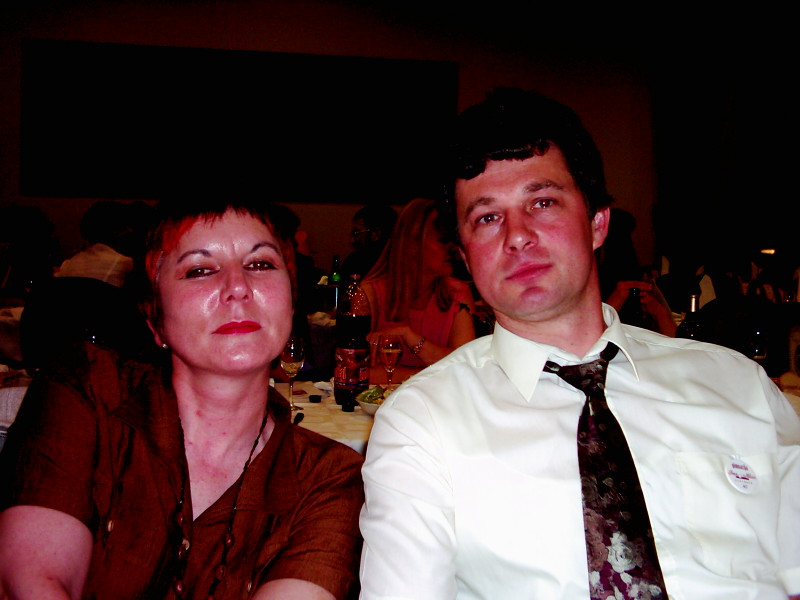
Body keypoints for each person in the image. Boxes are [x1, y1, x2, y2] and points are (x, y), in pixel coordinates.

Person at [359, 87, 800, 599]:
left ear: (597, 222)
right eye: (487, 217)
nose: (517, 235)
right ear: (464, 254)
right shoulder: (422, 423)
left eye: (542, 202)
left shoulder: (737, 385)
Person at [0, 195, 364, 600]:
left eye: (260, 264)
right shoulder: (88, 391)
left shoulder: (330, 477)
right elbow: (33, 582)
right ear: (154, 318)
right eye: (199, 270)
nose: (238, 287)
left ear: (291, 302)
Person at [361, 197, 475, 370]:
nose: (454, 249)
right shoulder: (370, 294)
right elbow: (354, 370)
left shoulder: (457, 294)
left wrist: (410, 337)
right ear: (414, 244)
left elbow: (467, 366)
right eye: (443, 240)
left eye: (456, 241)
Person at [341, 204, 398, 281]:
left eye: (356, 233)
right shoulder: (402, 263)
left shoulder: (356, 262)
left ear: (375, 234)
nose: (352, 240)